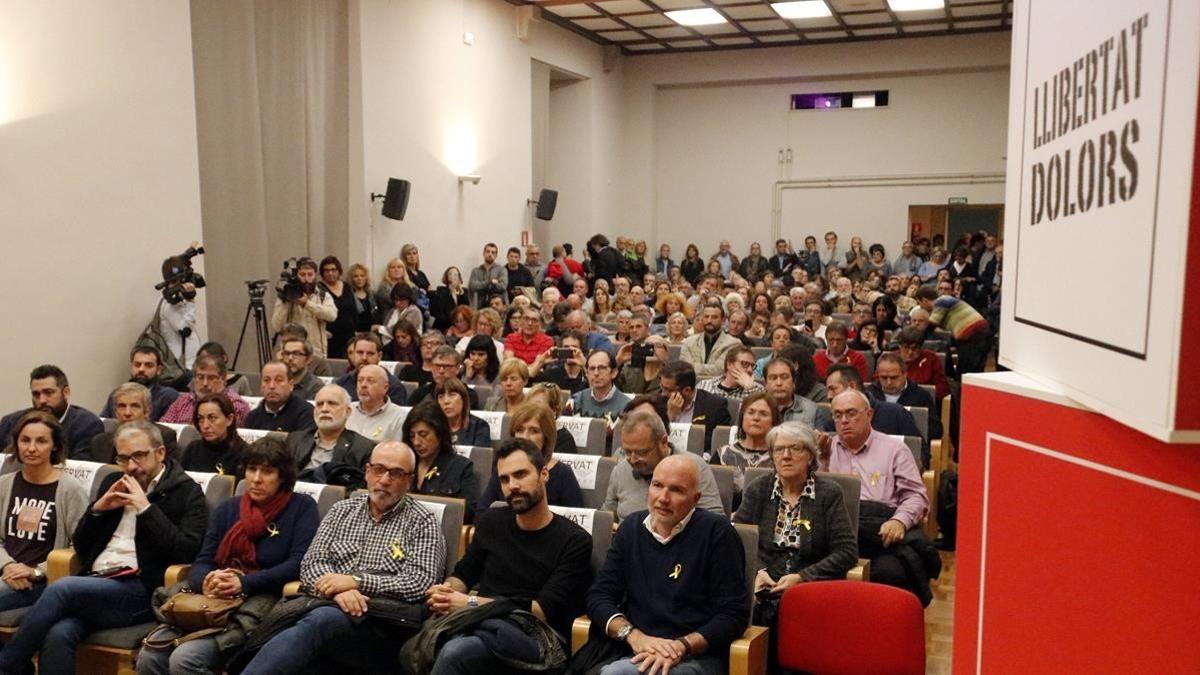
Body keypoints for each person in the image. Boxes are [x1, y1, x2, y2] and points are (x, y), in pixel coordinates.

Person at [0, 422, 207, 675]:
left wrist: (147, 510)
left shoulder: (187, 492)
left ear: (160, 453)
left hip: (142, 591)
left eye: (139, 456)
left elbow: (186, 552)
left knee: (63, 587)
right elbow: (82, 545)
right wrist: (98, 510)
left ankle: (8, 664)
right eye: (123, 458)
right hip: (96, 583)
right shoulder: (114, 480)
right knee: (58, 634)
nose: (131, 466)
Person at [236, 441, 445, 674]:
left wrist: (357, 581)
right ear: (367, 471)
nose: (384, 480)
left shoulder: (423, 521)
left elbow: (420, 582)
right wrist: (340, 591)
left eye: (396, 473)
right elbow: (311, 564)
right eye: (378, 470)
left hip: (384, 628)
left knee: (321, 622)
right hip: (327, 610)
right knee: (311, 649)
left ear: (409, 479)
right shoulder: (341, 511)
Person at [136, 437, 320, 675]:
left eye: (267, 471)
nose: (256, 479)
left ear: (283, 476)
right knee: (149, 657)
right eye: (252, 469)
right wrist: (207, 580)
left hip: (263, 597)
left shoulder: (301, 507)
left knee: (184, 660)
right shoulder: (229, 508)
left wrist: (242, 583)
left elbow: (298, 564)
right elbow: (204, 559)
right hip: (211, 597)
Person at [423, 438, 592, 675]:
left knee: (456, 651)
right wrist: (447, 592)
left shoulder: (575, 540)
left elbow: (540, 610)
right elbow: (463, 575)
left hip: (537, 638)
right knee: (428, 634)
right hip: (481, 625)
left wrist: (470, 603)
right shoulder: (492, 521)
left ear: (544, 474)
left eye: (521, 474)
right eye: (504, 479)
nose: (512, 485)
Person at [583, 453, 748, 675]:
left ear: (696, 499)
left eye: (677, 490)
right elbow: (599, 596)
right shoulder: (631, 527)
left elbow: (732, 615)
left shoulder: (718, 534)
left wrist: (681, 645)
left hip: (695, 655)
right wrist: (633, 636)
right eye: (657, 485)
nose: (663, 497)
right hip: (633, 647)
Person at [733, 422, 857, 632]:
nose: (786, 455)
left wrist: (802, 577)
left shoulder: (828, 494)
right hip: (763, 582)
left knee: (781, 613)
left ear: (810, 456)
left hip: (809, 585)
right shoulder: (758, 489)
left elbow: (847, 552)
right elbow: (740, 541)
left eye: (795, 448)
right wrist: (758, 572)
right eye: (779, 449)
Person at [823, 390, 937, 604]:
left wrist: (899, 521)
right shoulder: (824, 449)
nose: (844, 421)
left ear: (869, 414)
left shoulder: (894, 449)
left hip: (878, 533)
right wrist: (820, 460)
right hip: (834, 533)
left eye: (851, 413)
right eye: (837, 415)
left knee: (893, 574)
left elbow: (916, 495)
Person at [0, 412, 89, 611]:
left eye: (41, 441)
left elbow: (82, 548)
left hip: (40, 581)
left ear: (55, 445)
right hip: (7, 573)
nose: (31, 448)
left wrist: (36, 572)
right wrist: (7, 566)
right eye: (25, 440)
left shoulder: (70, 490)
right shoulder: (4, 484)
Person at [602, 410, 723, 523]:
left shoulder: (694, 467)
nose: (632, 460)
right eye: (627, 452)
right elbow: (607, 516)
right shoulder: (621, 469)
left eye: (641, 452)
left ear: (663, 443)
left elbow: (715, 522)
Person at [478, 402, 583, 508]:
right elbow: (481, 512)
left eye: (534, 431)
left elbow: (575, 518)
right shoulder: (504, 469)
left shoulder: (563, 473)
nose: (525, 437)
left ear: (546, 437)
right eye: (519, 430)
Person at [0, 365, 104, 461]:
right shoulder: (11, 422)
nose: (42, 400)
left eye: (48, 393)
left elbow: (79, 470)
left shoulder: (87, 424)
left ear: (66, 392)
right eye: (36, 394)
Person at [405, 401, 481, 522]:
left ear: (440, 433)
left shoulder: (461, 467)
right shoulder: (405, 464)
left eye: (423, 434)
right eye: (412, 436)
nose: (416, 442)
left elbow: (468, 513)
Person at [285, 384, 375, 473]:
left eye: (332, 404)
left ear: (347, 412)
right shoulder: (295, 440)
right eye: (319, 404)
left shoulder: (363, 448)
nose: (324, 409)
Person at [88, 383, 180, 463]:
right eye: (122, 406)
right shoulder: (100, 441)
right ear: (115, 412)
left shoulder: (164, 437)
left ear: (147, 411)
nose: (127, 413)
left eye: (135, 406)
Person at [270, 258, 338, 358]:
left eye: (310, 275)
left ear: (316, 275)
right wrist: (287, 303)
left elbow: (332, 315)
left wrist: (307, 304)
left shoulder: (323, 295)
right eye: (302, 275)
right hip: (291, 356)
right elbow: (276, 326)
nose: (306, 279)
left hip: (316, 354)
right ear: (297, 275)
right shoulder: (285, 296)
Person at [713, 392, 780, 494]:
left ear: (773, 422)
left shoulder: (781, 456)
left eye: (763, 414)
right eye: (751, 412)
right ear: (742, 417)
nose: (756, 418)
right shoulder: (722, 455)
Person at [159, 354, 251, 427]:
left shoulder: (235, 405)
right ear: (194, 378)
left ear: (223, 378)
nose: (205, 383)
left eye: (211, 378)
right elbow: (164, 428)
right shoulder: (183, 401)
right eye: (200, 377)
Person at [916, 286, 991, 374]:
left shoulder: (941, 301)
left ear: (924, 300)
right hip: (974, 336)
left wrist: (916, 338)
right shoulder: (943, 303)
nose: (920, 307)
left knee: (968, 371)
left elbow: (931, 325)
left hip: (975, 335)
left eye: (919, 303)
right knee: (970, 370)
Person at [868, 352, 941, 441]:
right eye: (883, 377)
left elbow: (936, 431)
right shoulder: (870, 394)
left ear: (904, 374)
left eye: (894, 377)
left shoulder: (921, 396)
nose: (889, 382)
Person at [100, 346, 180, 421]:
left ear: (158, 370)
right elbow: (105, 423)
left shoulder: (167, 396)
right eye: (137, 365)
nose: (141, 369)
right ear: (131, 367)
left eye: (148, 365)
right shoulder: (118, 393)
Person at [183, 393, 248, 479]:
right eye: (201, 419)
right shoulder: (193, 449)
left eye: (212, 418)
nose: (205, 425)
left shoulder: (243, 453)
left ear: (229, 419)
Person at [333, 332, 409, 406]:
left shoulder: (394, 387)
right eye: (360, 352)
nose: (364, 358)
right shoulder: (341, 384)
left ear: (379, 356)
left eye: (370, 353)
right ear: (353, 354)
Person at [244, 361, 316, 433]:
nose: (272, 386)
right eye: (266, 380)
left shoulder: (306, 413)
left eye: (279, 380)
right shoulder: (253, 417)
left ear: (291, 385)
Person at [762, 357, 832, 429]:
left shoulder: (812, 410)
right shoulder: (756, 408)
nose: (779, 383)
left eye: (784, 377)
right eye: (773, 378)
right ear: (765, 384)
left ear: (793, 382)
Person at [346, 364, 408, 443]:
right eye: (360, 380)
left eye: (370, 381)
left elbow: (398, 450)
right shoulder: (346, 410)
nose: (363, 385)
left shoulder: (400, 416)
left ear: (385, 388)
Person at [680, 304, 742, 379]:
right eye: (706, 317)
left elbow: (720, 370)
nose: (709, 320)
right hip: (690, 385)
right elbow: (684, 368)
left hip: (719, 387)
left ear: (722, 320)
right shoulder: (689, 342)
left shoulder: (734, 343)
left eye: (714, 317)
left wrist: (693, 366)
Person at [568, 351, 631, 422]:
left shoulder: (627, 406)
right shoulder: (574, 401)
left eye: (602, 368)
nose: (596, 373)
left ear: (614, 373)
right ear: (587, 374)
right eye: (592, 368)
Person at [409, 347, 480, 409]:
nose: (441, 371)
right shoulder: (420, 394)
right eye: (437, 366)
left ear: (457, 368)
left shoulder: (468, 395)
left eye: (447, 366)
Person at [895, 327, 950, 400]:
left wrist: (920, 395)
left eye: (914, 348)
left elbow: (943, 388)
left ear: (921, 347)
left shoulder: (931, 358)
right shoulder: (891, 359)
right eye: (906, 347)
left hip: (923, 402)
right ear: (899, 346)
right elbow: (878, 382)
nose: (910, 352)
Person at [318, 256, 356, 360]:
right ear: (322, 273)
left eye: (333, 270)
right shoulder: (319, 289)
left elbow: (353, 310)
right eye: (326, 270)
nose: (330, 273)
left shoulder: (347, 287)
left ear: (339, 271)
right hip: (330, 337)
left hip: (349, 335)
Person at [696, 347, 764, 402]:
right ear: (729, 364)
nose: (750, 370)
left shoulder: (759, 390)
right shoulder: (704, 385)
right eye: (745, 364)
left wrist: (750, 390)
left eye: (752, 366)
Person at [436, 378, 491, 447]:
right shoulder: (434, 428)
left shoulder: (479, 426)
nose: (446, 401)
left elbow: (479, 456)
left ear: (463, 399)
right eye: (441, 397)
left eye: (452, 395)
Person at [431, 266, 470, 332]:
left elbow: (466, 309)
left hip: (461, 326)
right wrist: (452, 293)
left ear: (459, 277)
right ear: (446, 277)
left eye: (455, 274)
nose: (453, 276)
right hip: (444, 326)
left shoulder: (463, 292)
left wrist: (461, 293)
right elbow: (440, 314)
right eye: (450, 274)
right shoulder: (441, 291)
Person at [468, 243, 507, 309]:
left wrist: (482, 286)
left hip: (496, 307)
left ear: (496, 255)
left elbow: (502, 286)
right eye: (488, 251)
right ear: (484, 253)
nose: (490, 254)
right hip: (479, 306)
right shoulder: (476, 270)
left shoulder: (502, 270)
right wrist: (490, 282)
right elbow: (473, 286)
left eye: (493, 252)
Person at [347, 262, 380, 334]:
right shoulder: (348, 296)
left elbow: (376, 315)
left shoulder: (372, 295)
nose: (359, 279)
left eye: (362, 276)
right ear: (351, 279)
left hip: (373, 334)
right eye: (356, 276)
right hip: (356, 334)